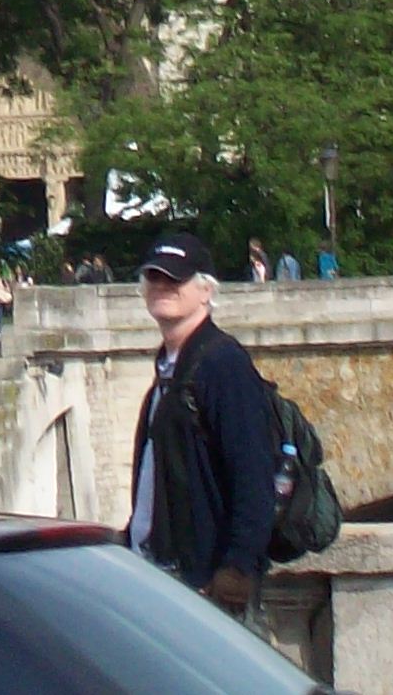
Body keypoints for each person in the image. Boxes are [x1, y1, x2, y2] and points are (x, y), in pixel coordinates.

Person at [126, 231, 276, 615]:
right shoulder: (170, 369)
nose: (162, 286)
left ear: (206, 291)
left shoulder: (222, 364)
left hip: (203, 585)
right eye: (154, 277)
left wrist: (237, 567)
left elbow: (253, 474)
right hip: (161, 575)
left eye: (175, 278)